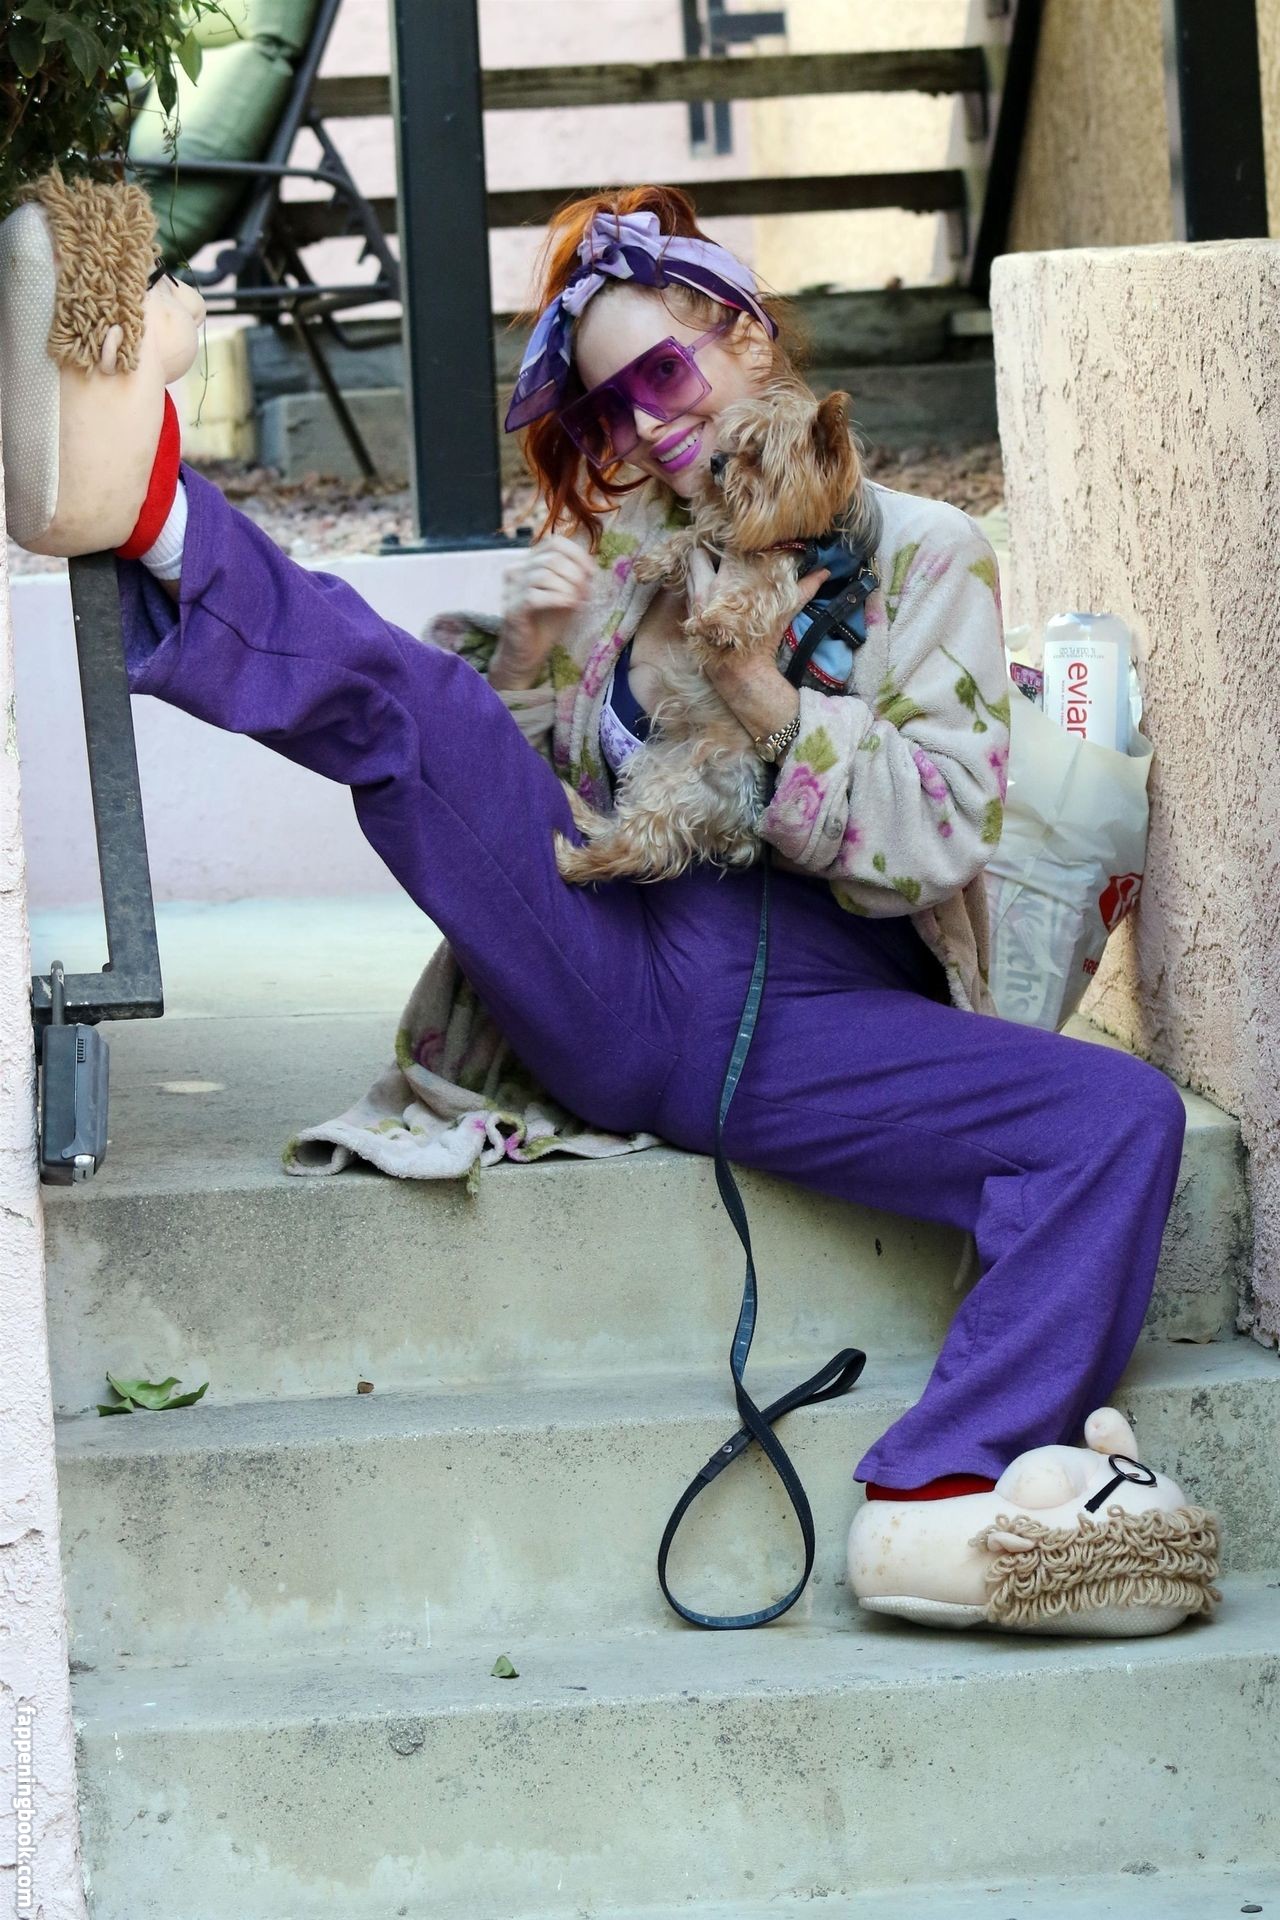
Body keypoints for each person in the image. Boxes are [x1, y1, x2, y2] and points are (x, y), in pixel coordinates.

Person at [5, 176, 1207, 1632]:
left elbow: (938, 833)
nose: (644, 430)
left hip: (816, 1013)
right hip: (604, 961)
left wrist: (765, 695)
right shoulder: (642, 563)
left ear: (747, 333)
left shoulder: (924, 554)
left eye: (661, 377)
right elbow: (514, 791)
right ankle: (149, 508)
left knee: (1119, 1115)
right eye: (611, 413)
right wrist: (527, 655)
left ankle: (944, 1483)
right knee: (429, 712)